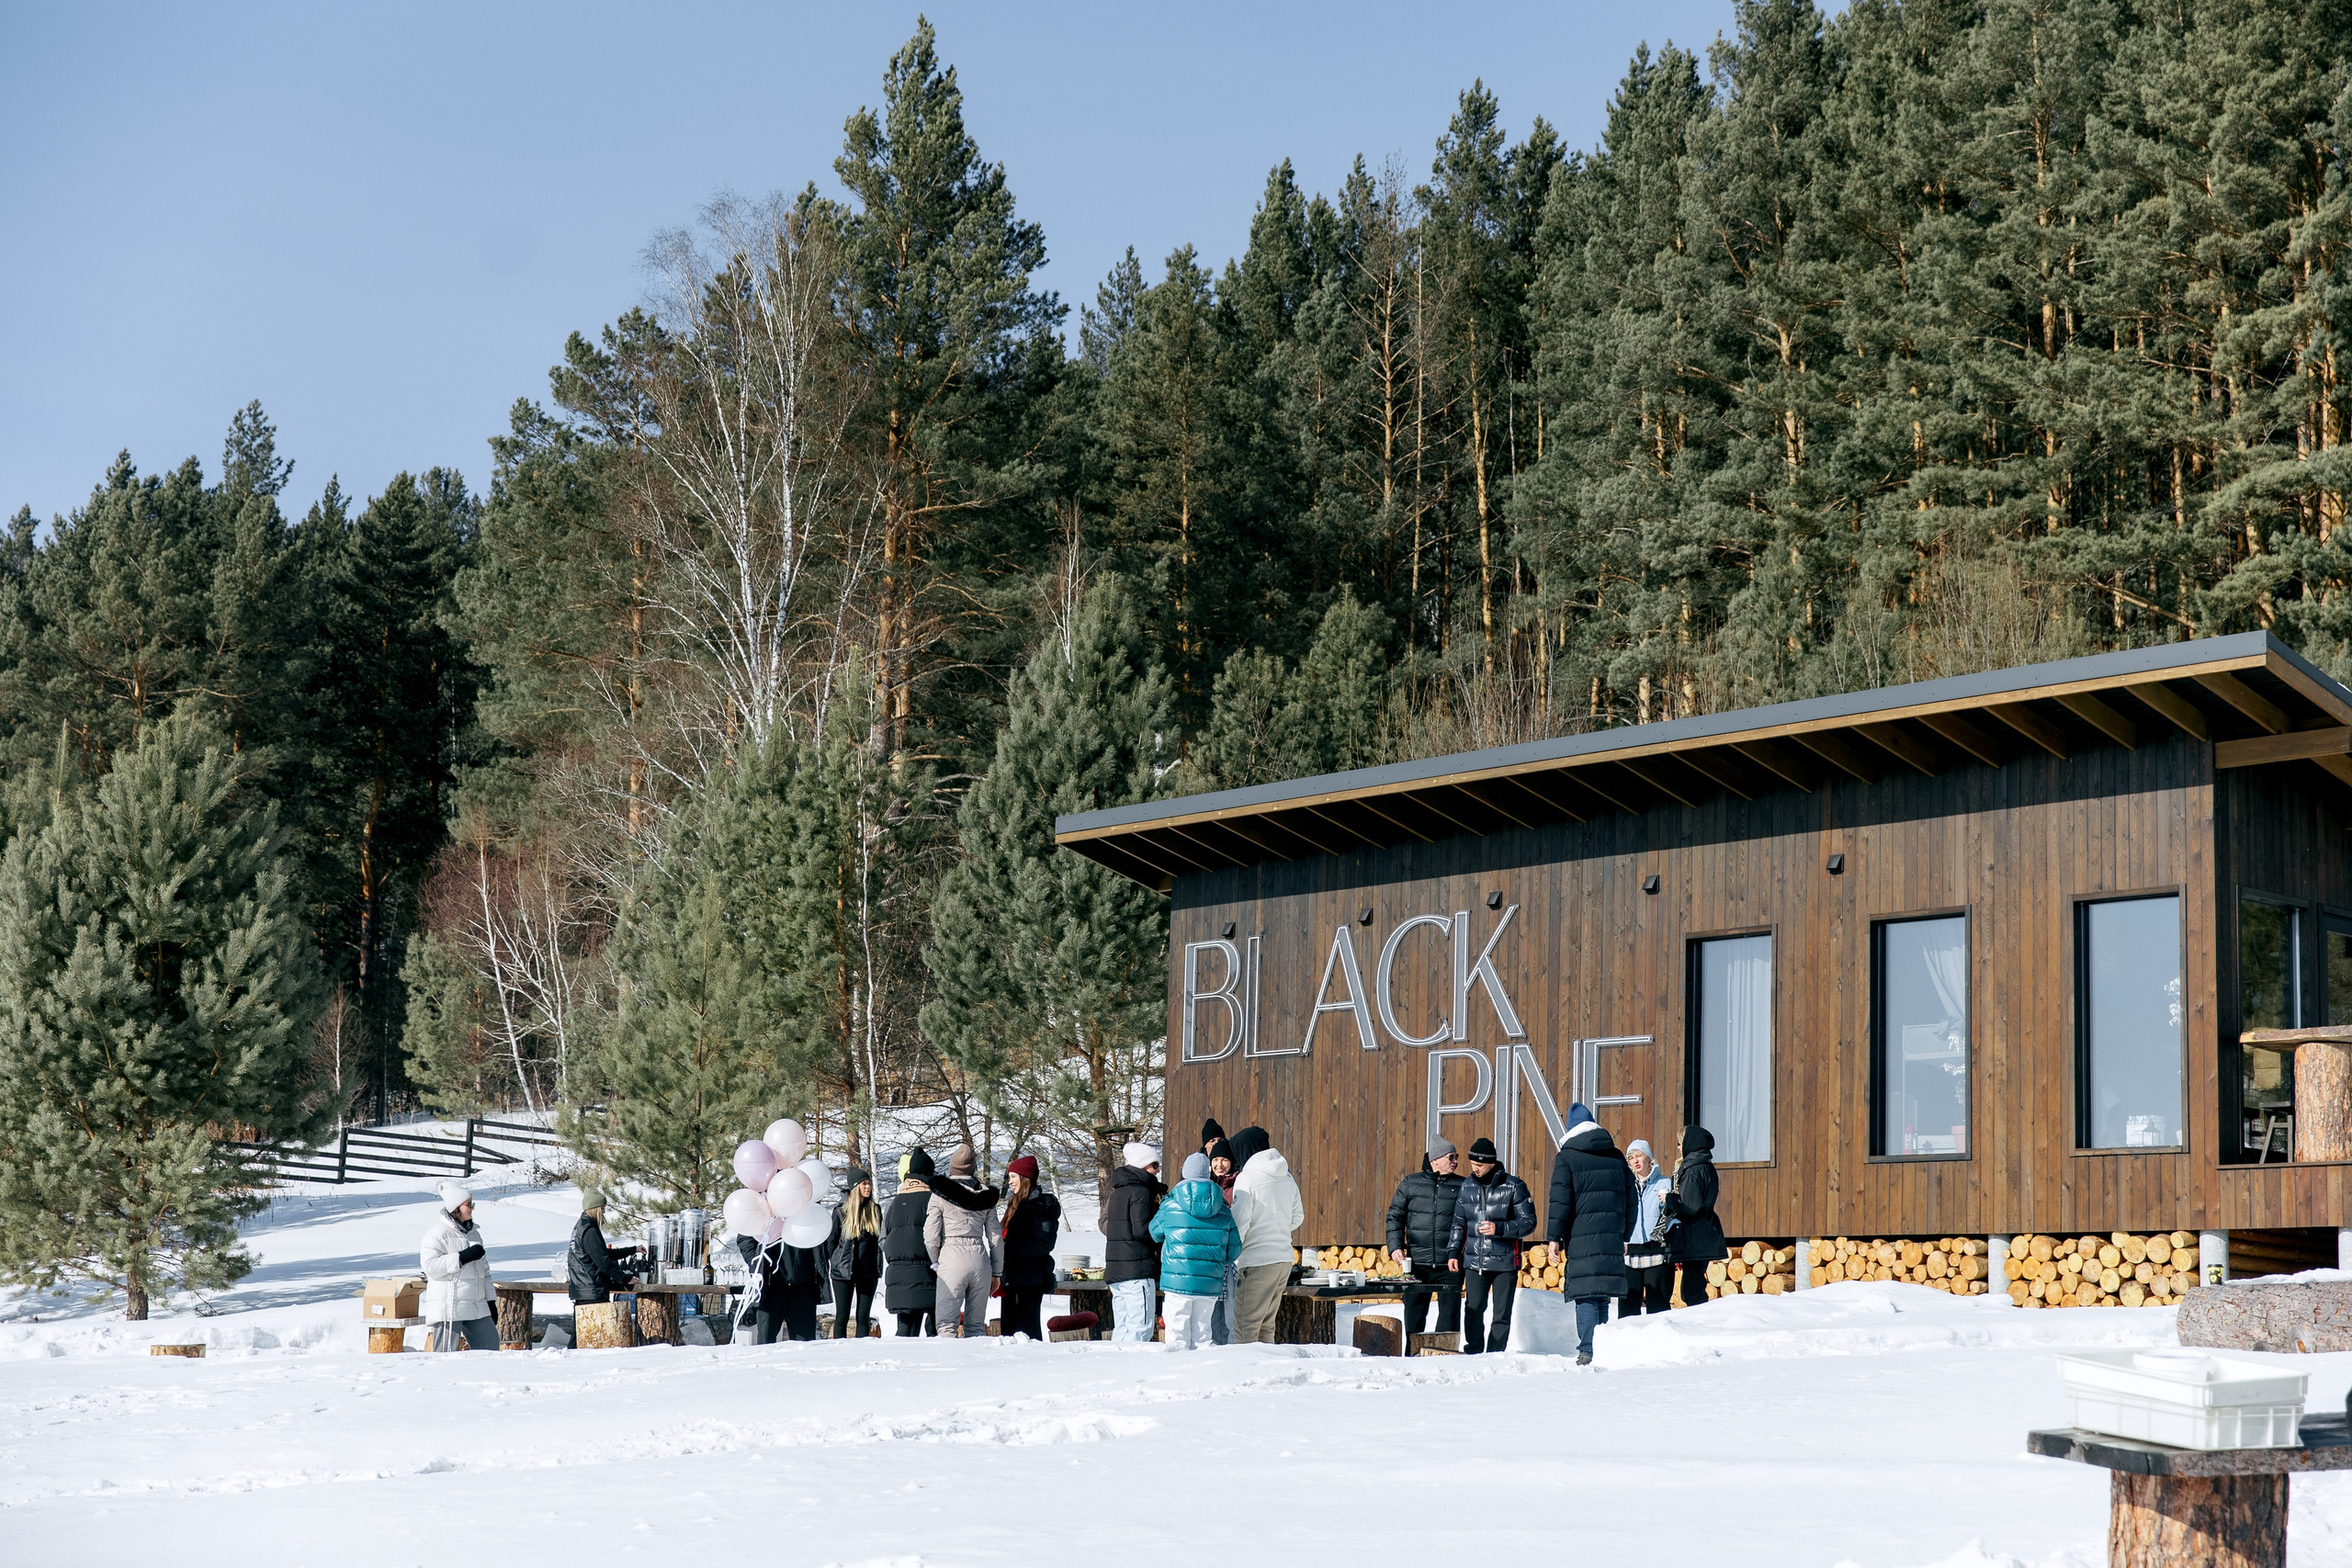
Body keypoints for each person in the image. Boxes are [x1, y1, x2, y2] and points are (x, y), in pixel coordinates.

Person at [1544, 1101, 1633, 1365]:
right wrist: (1625, 1233)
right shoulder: (1616, 1155)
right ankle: (1602, 1347)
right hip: (1611, 1234)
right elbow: (1631, 1198)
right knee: (1602, 1292)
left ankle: (1587, 1350)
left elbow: (1560, 1201)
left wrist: (1554, 1237)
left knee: (1585, 1293)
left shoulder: (1567, 1157)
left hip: (1581, 1236)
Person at [1446, 1137, 1534, 1355]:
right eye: (1472, 1164)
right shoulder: (1466, 1187)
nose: (1474, 1169)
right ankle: (1474, 1352)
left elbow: (1529, 1223)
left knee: (1501, 1314)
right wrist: (1453, 1252)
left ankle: (1495, 1355)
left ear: (1491, 1163)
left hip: (1505, 1262)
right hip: (1474, 1261)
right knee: (1473, 1310)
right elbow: (1458, 1223)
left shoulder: (1515, 1186)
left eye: (1479, 1165)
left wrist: (1500, 1229)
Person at [1148, 1153, 1241, 1349]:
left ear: (1184, 1173)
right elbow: (1234, 1249)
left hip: (1177, 1281)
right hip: (1210, 1282)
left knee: (1177, 1335)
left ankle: (1178, 1375)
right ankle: (1203, 1375)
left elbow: (1155, 1233)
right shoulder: (1223, 1208)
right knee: (1203, 1335)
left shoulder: (1170, 1204)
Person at [1227, 1125, 1304, 1345]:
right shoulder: (1287, 1177)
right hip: (1283, 1259)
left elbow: (1239, 1222)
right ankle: (1265, 1371)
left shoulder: (1247, 1177)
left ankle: (1245, 1373)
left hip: (1257, 1261)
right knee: (1266, 1326)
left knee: (1245, 1327)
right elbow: (1297, 1217)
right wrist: (1276, 1228)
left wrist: (1232, 1253)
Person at [1385, 1136, 1465, 1337]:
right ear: (1436, 1159)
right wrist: (1395, 1247)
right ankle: (1411, 1358)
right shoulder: (1411, 1183)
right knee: (1414, 1319)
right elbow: (1395, 1216)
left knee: (1449, 1322)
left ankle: (1445, 1360)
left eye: (1456, 1157)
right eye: (1451, 1157)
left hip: (1450, 1264)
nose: (1455, 1161)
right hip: (1417, 1265)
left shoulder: (1463, 1185)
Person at [924, 1143, 1001, 1337]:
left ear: (952, 1167)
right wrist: (997, 1272)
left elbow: (931, 1235)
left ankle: (951, 1365)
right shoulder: (986, 1196)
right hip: (980, 1258)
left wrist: (936, 1260)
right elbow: (996, 1238)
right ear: (972, 1168)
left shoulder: (939, 1194)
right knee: (976, 1325)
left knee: (946, 1325)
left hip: (951, 1255)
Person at [420, 1181, 499, 1352]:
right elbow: (430, 1267)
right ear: (456, 1207)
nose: (472, 1208)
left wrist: (490, 1301)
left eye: (472, 1204)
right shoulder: (437, 1234)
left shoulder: (474, 1234)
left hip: (476, 1305)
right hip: (450, 1307)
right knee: (446, 1356)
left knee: (490, 1348)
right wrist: (462, 1257)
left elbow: (484, 1272)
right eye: (468, 1205)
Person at [1663, 1123, 1729, 1311]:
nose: (1677, 1147)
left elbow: (1689, 1205)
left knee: (1692, 1290)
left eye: (1679, 1143)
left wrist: (1668, 1199)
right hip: (1703, 1232)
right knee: (1693, 1285)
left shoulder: (1694, 1169)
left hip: (1695, 1234)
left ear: (1688, 1143)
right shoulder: (1705, 1166)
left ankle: (1700, 1326)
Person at [1102, 1142, 1163, 1342]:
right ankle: (1132, 1371)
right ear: (1143, 1165)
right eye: (1155, 1165)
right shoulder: (1141, 1192)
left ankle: (1117, 1367)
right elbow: (1142, 1230)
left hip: (1117, 1271)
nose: (1157, 1170)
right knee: (1140, 1329)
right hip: (1138, 1271)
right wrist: (1163, 1234)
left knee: (1122, 1328)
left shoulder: (1118, 1191)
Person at [998, 1154, 1062, 1341]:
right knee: (1009, 1332)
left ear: (1025, 1178)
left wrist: (1009, 1250)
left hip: (1029, 1280)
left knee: (1027, 1333)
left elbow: (1044, 1244)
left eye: (1013, 1177)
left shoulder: (1041, 1206)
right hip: (1011, 1279)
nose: (1010, 1182)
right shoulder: (1016, 1203)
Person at [737, 1221, 826, 1343]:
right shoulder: (763, 1206)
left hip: (803, 1283)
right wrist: (756, 1262)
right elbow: (745, 1237)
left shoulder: (807, 1204)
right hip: (770, 1285)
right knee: (766, 1342)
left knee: (805, 1342)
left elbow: (821, 1236)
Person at [882, 1149, 939, 1337]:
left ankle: (901, 1364)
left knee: (905, 1329)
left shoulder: (896, 1202)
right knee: (934, 1329)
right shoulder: (932, 1200)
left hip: (898, 1274)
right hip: (928, 1274)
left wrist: (895, 1258)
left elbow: (884, 1237)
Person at [1620, 1139, 1673, 1319]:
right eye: (1631, 1158)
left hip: (1656, 1250)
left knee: (1658, 1306)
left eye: (1639, 1156)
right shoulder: (1625, 1186)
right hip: (1631, 1252)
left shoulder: (1665, 1183)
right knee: (1628, 1307)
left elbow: (1673, 1216)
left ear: (1649, 1158)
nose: (1635, 1161)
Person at [827, 1168, 883, 1338]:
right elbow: (831, 1242)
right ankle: (839, 1351)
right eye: (864, 1184)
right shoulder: (840, 1212)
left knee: (863, 1317)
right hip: (843, 1272)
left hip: (868, 1272)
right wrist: (837, 1260)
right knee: (842, 1317)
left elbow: (878, 1242)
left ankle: (861, 1352)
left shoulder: (875, 1210)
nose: (868, 1187)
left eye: (869, 1184)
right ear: (855, 1186)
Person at [566, 1184, 641, 1307]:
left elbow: (601, 1253)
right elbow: (603, 1261)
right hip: (592, 1292)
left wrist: (633, 1250)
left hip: (582, 1289)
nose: (604, 1212)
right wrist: (626, 1278)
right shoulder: (589, 1230)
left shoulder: (580, 1226)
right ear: (594, 1208)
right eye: (602, 1208)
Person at [1204, 1135, 1240, 1345]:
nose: (1219, 1165)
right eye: (1215, 1160)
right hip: (1211, 1255)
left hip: (1229, 1254)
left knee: (1230, 1306)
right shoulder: (1206, 1184)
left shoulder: (1236, 1184)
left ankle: (1231, 1345)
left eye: (1224, 1160)